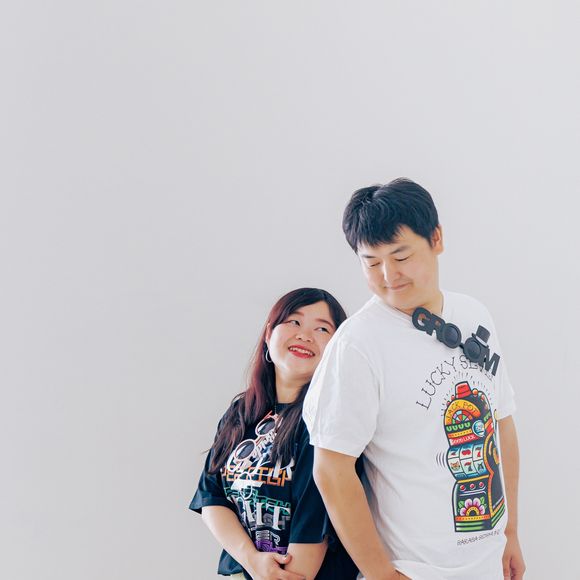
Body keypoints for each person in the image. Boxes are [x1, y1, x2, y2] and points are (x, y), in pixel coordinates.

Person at [302, 179, 526, 580]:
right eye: (372, 263)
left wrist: (509, 532)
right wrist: (381, 575)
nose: (389, 275)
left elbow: (501, 424)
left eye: (401, 256)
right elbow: (331, 470)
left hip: (488, 562)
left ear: (436, 239)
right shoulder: (357, 344)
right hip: (414, 569)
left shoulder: (474, 314)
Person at [190, 288, 360, 580]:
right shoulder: (241, 412)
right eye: (294, 321)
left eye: (322, 328)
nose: (305, 335)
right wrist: (252, 560)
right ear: (269, 334)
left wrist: (262, 569)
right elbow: (211, 498)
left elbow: (313, 528)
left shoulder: (327, 423)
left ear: (337, 348)